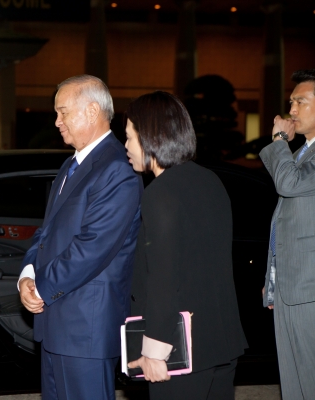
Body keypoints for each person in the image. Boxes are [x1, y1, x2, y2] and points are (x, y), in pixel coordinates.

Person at [18, 75, 143, 400]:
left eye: (63, 112)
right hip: (57, 324)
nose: (56, 122)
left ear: (91, 111)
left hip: (85, 328)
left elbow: (93, 248)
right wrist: (27, 275)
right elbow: (46, 232)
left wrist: (42, 288)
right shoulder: (70, 165)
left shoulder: (116, 168)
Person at [125, 91, 247, 399]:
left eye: (129, 137)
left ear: (151, 137)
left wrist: (154, 350)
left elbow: (165, 278)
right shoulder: (210, 181)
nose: (125, 145)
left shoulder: (160, 193)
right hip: (221, 341)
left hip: (182, 350)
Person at [260, 69, 315, 399]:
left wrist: (279, 140)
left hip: (309, 290)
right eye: (291, 101)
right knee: (294, 382)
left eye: (300, 102)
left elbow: (288, 184)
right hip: (292, 288)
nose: (291, 110)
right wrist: (273, 279)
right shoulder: (304, 152)